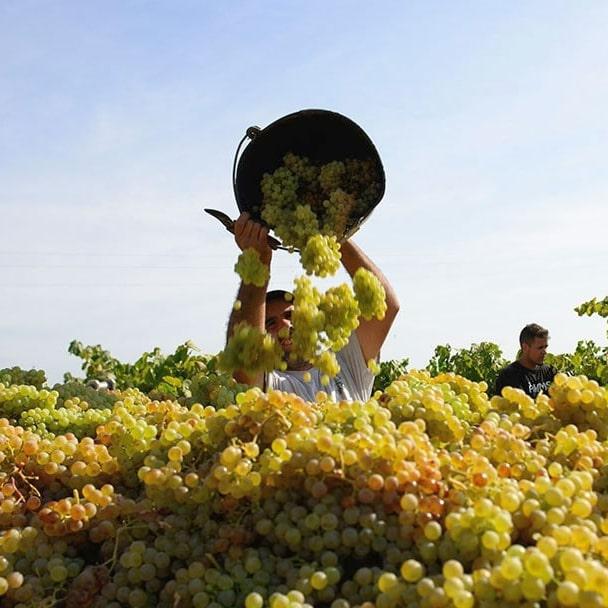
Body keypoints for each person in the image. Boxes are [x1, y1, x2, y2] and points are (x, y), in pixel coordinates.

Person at [226, 212, 400, 402]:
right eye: (270, 323)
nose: (285, 326)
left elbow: (384, 305)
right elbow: (245, 358)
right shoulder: (270, 388)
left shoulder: (344, 364)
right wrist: (258, 262)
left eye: (291, 316)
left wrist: (336, 235)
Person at [494, 323, 556, 398]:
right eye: (540, 348)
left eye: (545, 347)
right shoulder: (509, 376)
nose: (545, 352)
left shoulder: (550, 372)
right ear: (525, 347)